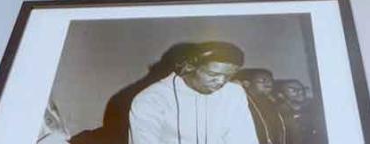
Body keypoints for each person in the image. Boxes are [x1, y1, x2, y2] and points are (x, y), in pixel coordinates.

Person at [129, 42, 259, 144]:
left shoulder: (233, 93)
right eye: (212, 74)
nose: (221, 81)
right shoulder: (152, 99)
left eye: (228, 76)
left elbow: (244, 139)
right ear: (188, 68)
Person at [236, 69, 288, 144]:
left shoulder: (274, 104)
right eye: (263, 81)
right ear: (246, 83)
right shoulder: (240, 105)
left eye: (271, 81)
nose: (269, 84)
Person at [274, 79, 325, 144]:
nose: (300, 92)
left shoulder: (315, 107)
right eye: (293, 90)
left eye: (301, 88)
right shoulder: (276, 114)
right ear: (281, 95)